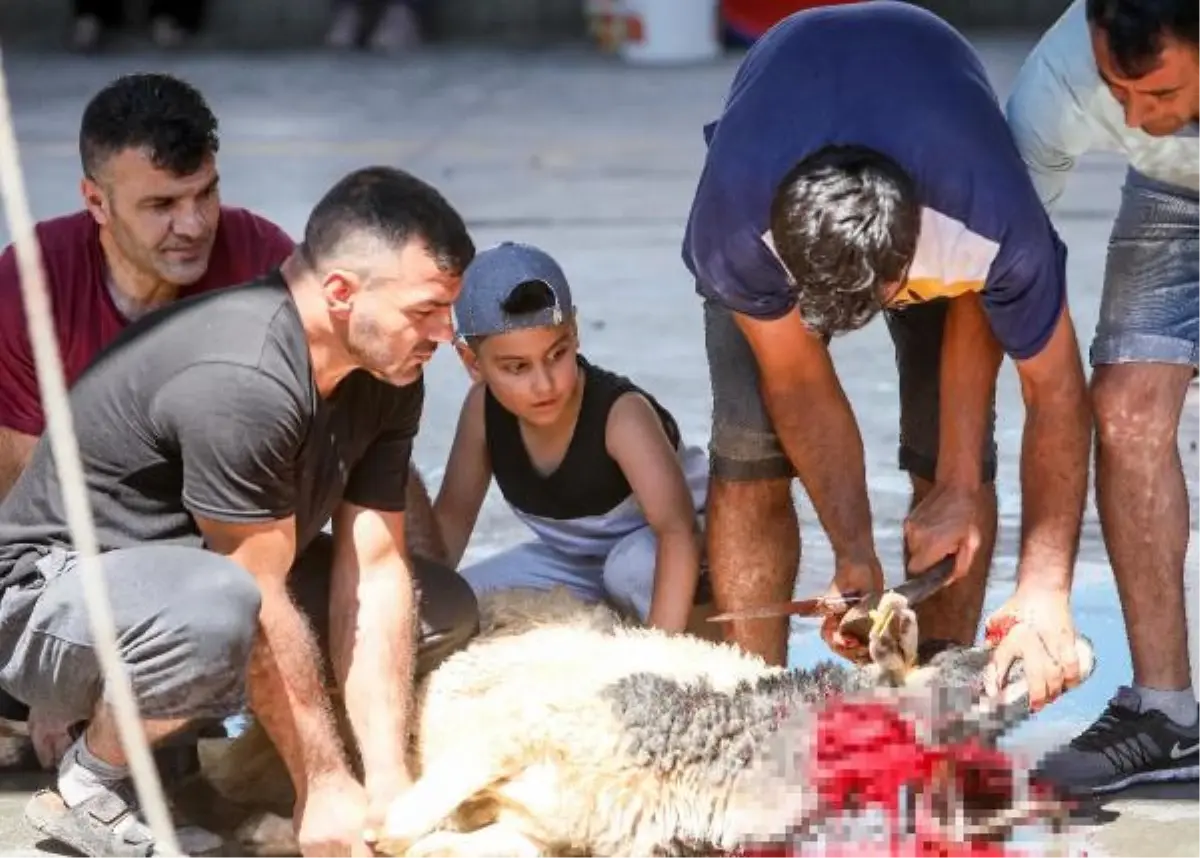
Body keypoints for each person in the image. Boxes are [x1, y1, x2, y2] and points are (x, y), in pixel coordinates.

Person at [0, 164, 481, 857]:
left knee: (435, 607)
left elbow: (373, 571)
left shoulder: (386, 368)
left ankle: (280, 768)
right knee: (227, 602)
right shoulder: (245, 376)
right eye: (425, 311)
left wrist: (385, 781)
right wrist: (321, 783)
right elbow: (256, 595)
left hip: (191, 588)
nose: (444, 334)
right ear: (341, 293)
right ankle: (92, 783)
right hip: (44, 604)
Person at [681, 0, 1092, 711]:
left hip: (939, 143)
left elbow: (1055, 392)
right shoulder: (734, 228)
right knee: (749, 451)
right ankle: (757, 708)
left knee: (954, 461)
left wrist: (1041, 582)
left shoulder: (989, 222)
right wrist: (853, 556)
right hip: (781, 114)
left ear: (912, 265)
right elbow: (798, 380)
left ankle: (941, 697)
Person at [1006, 0, 1200, 794]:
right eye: (1119, 96)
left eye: (1159, 95)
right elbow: (1002, 265)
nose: (1137, 116)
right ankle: (1167, 716)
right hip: (1173, 197)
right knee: (1124, 407)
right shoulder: (1057, 84)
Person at [434, 241, 710, 631]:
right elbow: (450, 521)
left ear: (575, 332)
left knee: (628, 569)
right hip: (573, 562)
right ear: (471, 362)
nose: (544, 384)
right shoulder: (482, 412)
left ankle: (685, 642)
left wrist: (659, 660)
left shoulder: (622, 416)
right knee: (462, 596)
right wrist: (416, 606)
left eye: (556, 355)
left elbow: (677, 531)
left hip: (672, 552)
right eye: (517, 367)